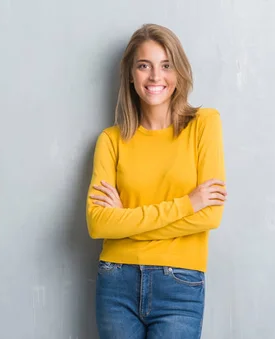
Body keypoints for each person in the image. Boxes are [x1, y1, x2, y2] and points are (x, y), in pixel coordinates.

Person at [85, 23, 227, 339]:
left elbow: (211, 215)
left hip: (180, 285)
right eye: (144, 65)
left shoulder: (205, 124)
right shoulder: (110, 140)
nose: (155, 77)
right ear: (131, 76)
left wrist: (125, 222)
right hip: (116, 283)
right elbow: (97, 224)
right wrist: (188, 203)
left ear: (179, 72)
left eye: (166, 65)